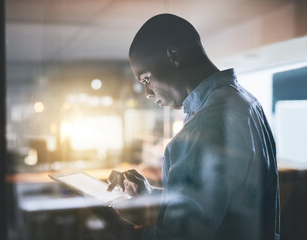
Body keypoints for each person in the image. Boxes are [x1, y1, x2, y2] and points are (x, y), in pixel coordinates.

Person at [93, 13, 280, 240]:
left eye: (146, 79)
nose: (147, 93)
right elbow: (214, 204)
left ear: (173, 56)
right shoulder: (247, 102)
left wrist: (115, 225)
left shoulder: (202, 128)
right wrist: (148, 193)